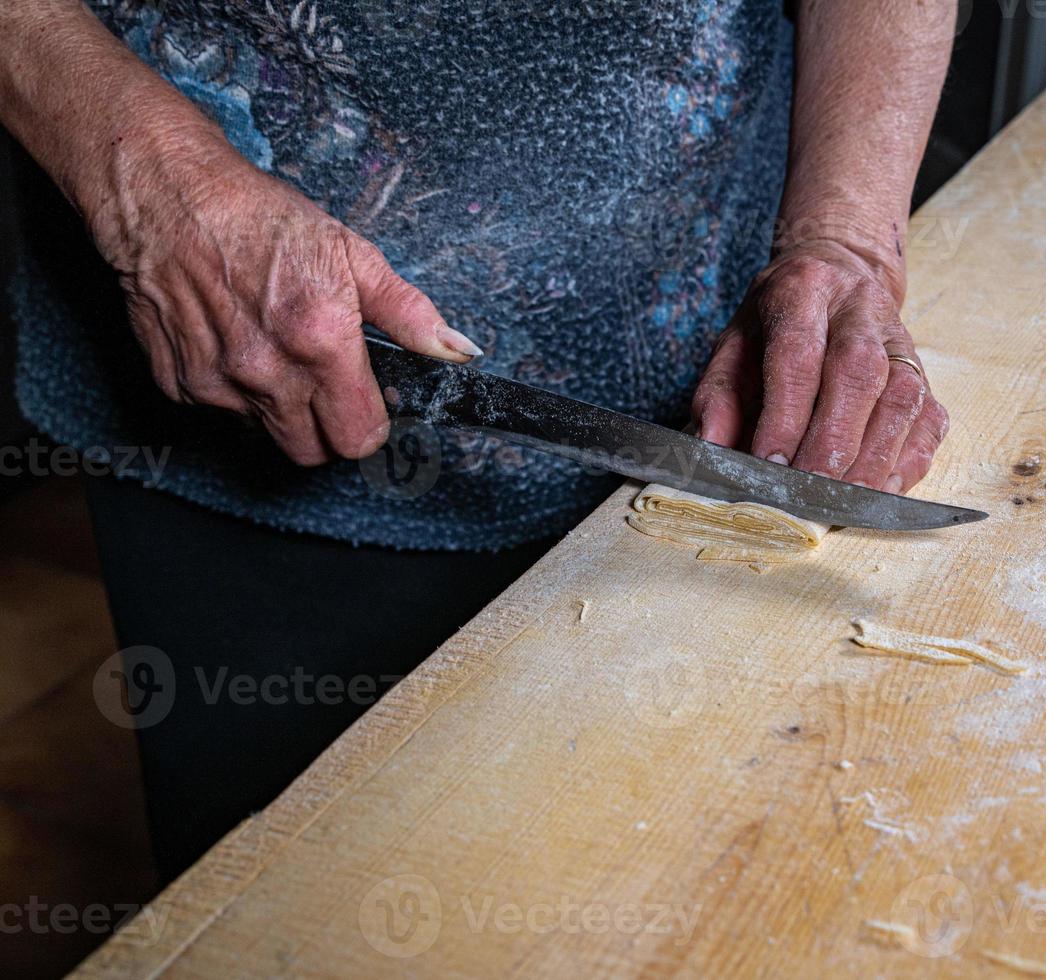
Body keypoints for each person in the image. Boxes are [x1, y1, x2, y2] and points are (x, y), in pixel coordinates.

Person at [0, 0, 954, 879]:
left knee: (659, 862)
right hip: (244, 346)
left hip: (708, 327)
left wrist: (846, 238)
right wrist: (147, 181)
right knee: (306, 885)